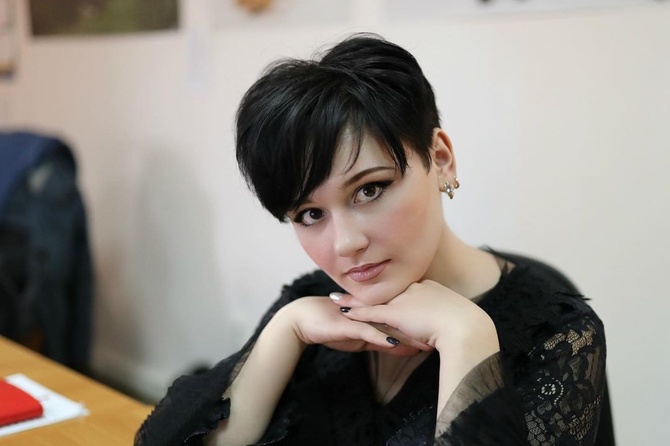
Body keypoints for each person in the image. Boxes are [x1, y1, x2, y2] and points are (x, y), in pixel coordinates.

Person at [135, 34, 608, 446]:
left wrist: (465, 336)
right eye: (310, 214)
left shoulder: (556, 340)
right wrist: (287, 328)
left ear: (440, 159)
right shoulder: (314, 302)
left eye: (369, 190)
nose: (345, 245)